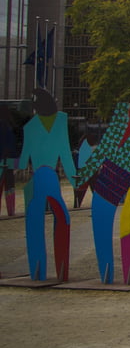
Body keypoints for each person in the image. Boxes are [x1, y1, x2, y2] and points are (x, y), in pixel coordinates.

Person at [76, 85, 130, 285]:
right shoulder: (129, 122)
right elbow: (129, 159)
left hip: (113, 182)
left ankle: (110, 273)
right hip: (116, 181)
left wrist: (82, 177)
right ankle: (113, 273)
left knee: (108, 228)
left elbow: (106, 153)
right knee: (115, 227)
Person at [18, 88, 75, 281]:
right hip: (51, 176)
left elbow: (23, 161)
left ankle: (38, 269)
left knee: (35, 221)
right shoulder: (60, 121)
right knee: (63, 218)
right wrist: (74, 179)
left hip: (39, 177)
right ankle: (61, 270)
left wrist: (11, 164)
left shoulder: (30, 127)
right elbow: (65, 153)